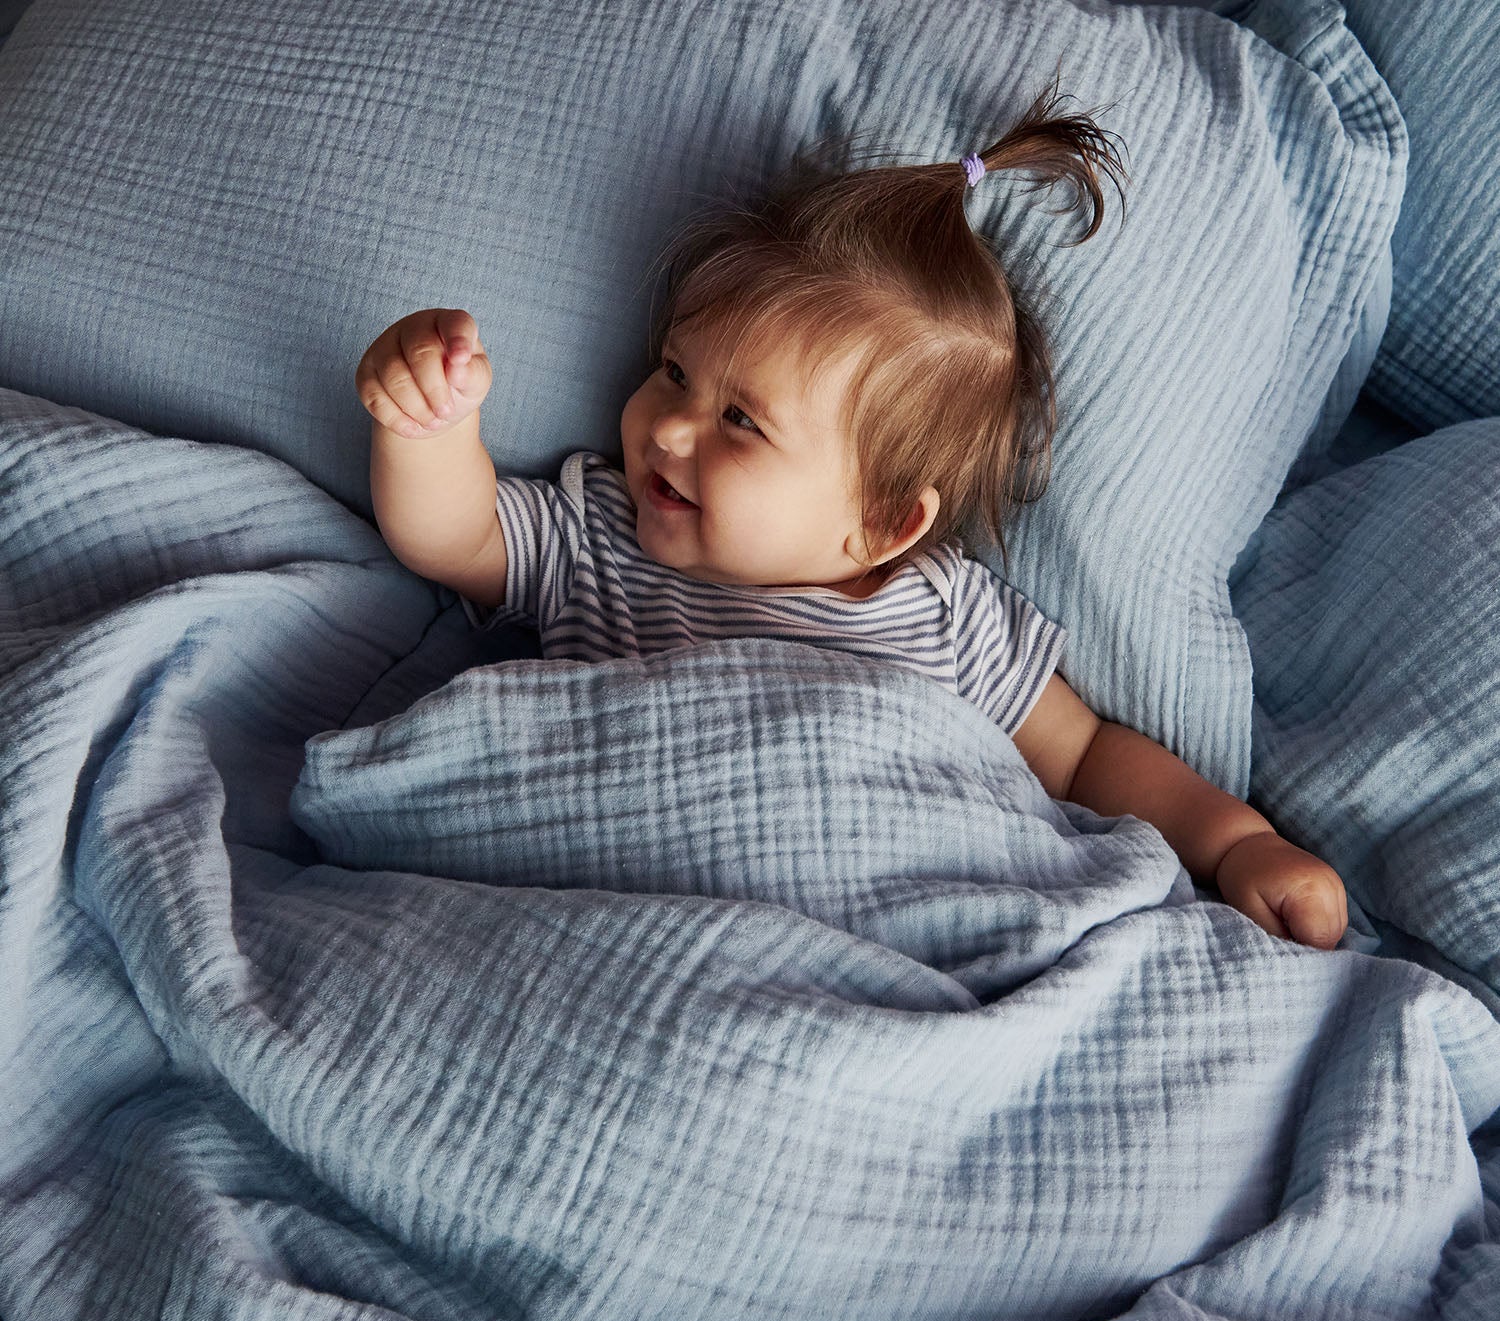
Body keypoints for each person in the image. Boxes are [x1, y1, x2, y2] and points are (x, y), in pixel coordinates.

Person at [355, 80, 1348, 950]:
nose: (667, 431)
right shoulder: (606, 539)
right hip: (621, 884)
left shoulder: (946, 616)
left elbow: (1085, 756)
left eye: (740, 421)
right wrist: (429, 428)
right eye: (674, 373)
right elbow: (458, 538)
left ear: (881, 524)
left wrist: (1236, 842)